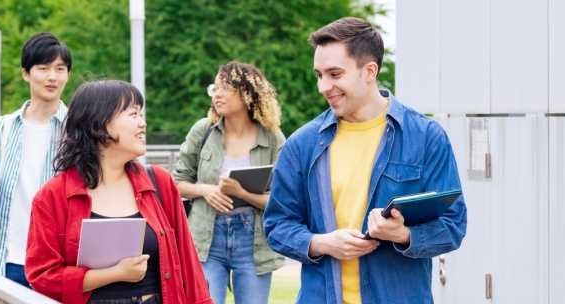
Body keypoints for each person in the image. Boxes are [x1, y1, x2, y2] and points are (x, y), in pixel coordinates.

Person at [263, 17, 467, 304]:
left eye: (334, 74)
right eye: (319, 75)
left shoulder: (426, 137)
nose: (323, 86)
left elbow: (453, 225)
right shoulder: (301, 145)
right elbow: (276, 225)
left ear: (369, 71)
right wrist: (322, 243)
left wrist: (404, 235)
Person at [25, 80, 212, 304]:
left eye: (141, 115)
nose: (142, 124)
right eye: (133, 114)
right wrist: (114, 274)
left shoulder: (159, 183)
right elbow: (42, 277)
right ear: (100, 123)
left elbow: (189, 265)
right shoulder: (53, 195)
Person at [172, 61, 285, 304]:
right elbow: (176, 183)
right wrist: (206, 190)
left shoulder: (273, 138)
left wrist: (242, 193)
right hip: (205, 238)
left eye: (226, 88)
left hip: (253, 243)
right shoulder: (203, 131)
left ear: (247, 94)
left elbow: (280, 202)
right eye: (215, 88)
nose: (217, 94)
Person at [0, 32, 71, 287]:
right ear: (26, 73)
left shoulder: (77, 131)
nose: (52, 77)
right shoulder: (1, 129)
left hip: (59, 264)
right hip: (7, 261)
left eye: (60, 69)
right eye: (43, 68)